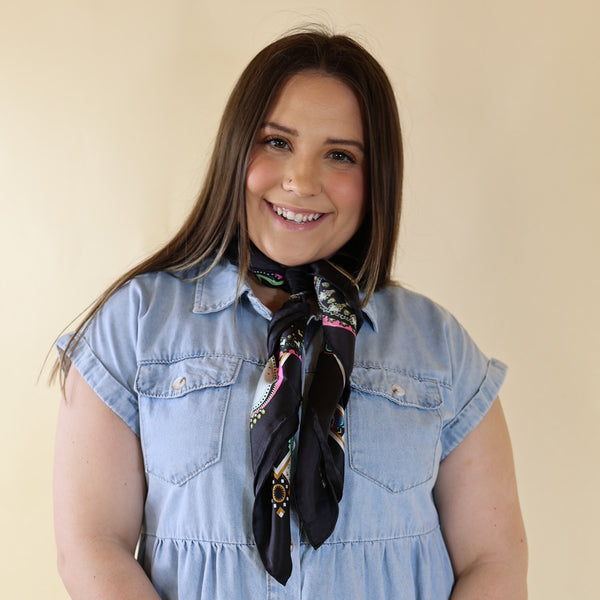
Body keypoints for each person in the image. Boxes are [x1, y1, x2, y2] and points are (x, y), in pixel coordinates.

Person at [53, 28, 527, 599]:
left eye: (339, 155)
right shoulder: (134, 327)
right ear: (236, 150)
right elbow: (91, 546)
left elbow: (493, 559)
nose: (301, 181)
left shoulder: (440, 347)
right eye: (277, 142)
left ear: (376, 179)